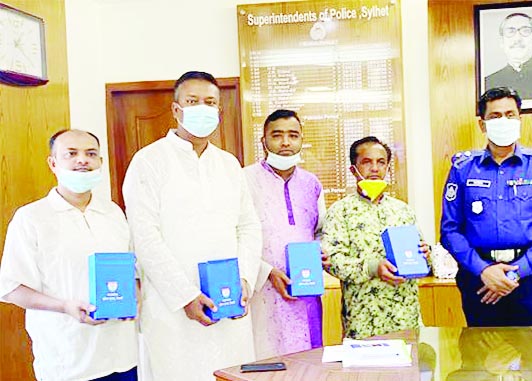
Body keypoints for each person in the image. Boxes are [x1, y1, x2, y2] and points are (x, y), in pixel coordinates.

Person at [122, 71, 262, 380]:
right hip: (172, 310)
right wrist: (184, 295)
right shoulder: (148, 161)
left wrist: (245, 279)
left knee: (231, 373)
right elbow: (144, 237)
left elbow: (249, 226)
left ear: (219, 111)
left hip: (229, 303)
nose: (203, 108)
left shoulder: (228, 164)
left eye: (210, 102)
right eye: (192, 101)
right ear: (176, 109)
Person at [0, 129, 138, 381]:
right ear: (53, 163)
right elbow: (12, 288)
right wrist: (64, 306)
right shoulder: (31, 218)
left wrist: (133, 299)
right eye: (71, 154)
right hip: (67, 360)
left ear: (100, 163)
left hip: (122, 356)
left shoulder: (113, 213)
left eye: (91, 154)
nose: (82, 160)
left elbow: (131, 271)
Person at [440, 87, 532, 327]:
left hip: (530, 279)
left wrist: (513, 273)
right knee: (479, 359)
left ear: (520, 119)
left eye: (510, 114)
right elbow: (450, 231)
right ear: (482, 124)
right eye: (495, 116)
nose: (504, 121)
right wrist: (484, 271)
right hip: (478, 280)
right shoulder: (462, 168)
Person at [321, 136, 430, 339]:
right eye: (366, 162)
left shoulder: (402, 210)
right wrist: (373, 267)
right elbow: (332, 261)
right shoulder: (340, 211)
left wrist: (426, 254)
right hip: (364, 321)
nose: (374, 168)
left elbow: (422, 256)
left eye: (381, 162)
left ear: (388, 168)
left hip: (406, 318)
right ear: (353, 169)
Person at [244, 109, 328, 359]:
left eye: (293, 135)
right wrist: (266, 272)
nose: (285, 143)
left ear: (302, 140)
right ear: (264, 141)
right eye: (277, 135)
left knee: (308, 363)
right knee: (265, 363)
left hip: (305, 292)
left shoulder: (311, 183)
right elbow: (234, 236)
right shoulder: (244, 180)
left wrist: (321, 253)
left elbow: (321, 231)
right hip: (263, 293)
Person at [484, 13, 532, 100]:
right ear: (501, 41)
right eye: (510, 32)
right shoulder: (489, 82)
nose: (517, 38)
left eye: (525, 31)